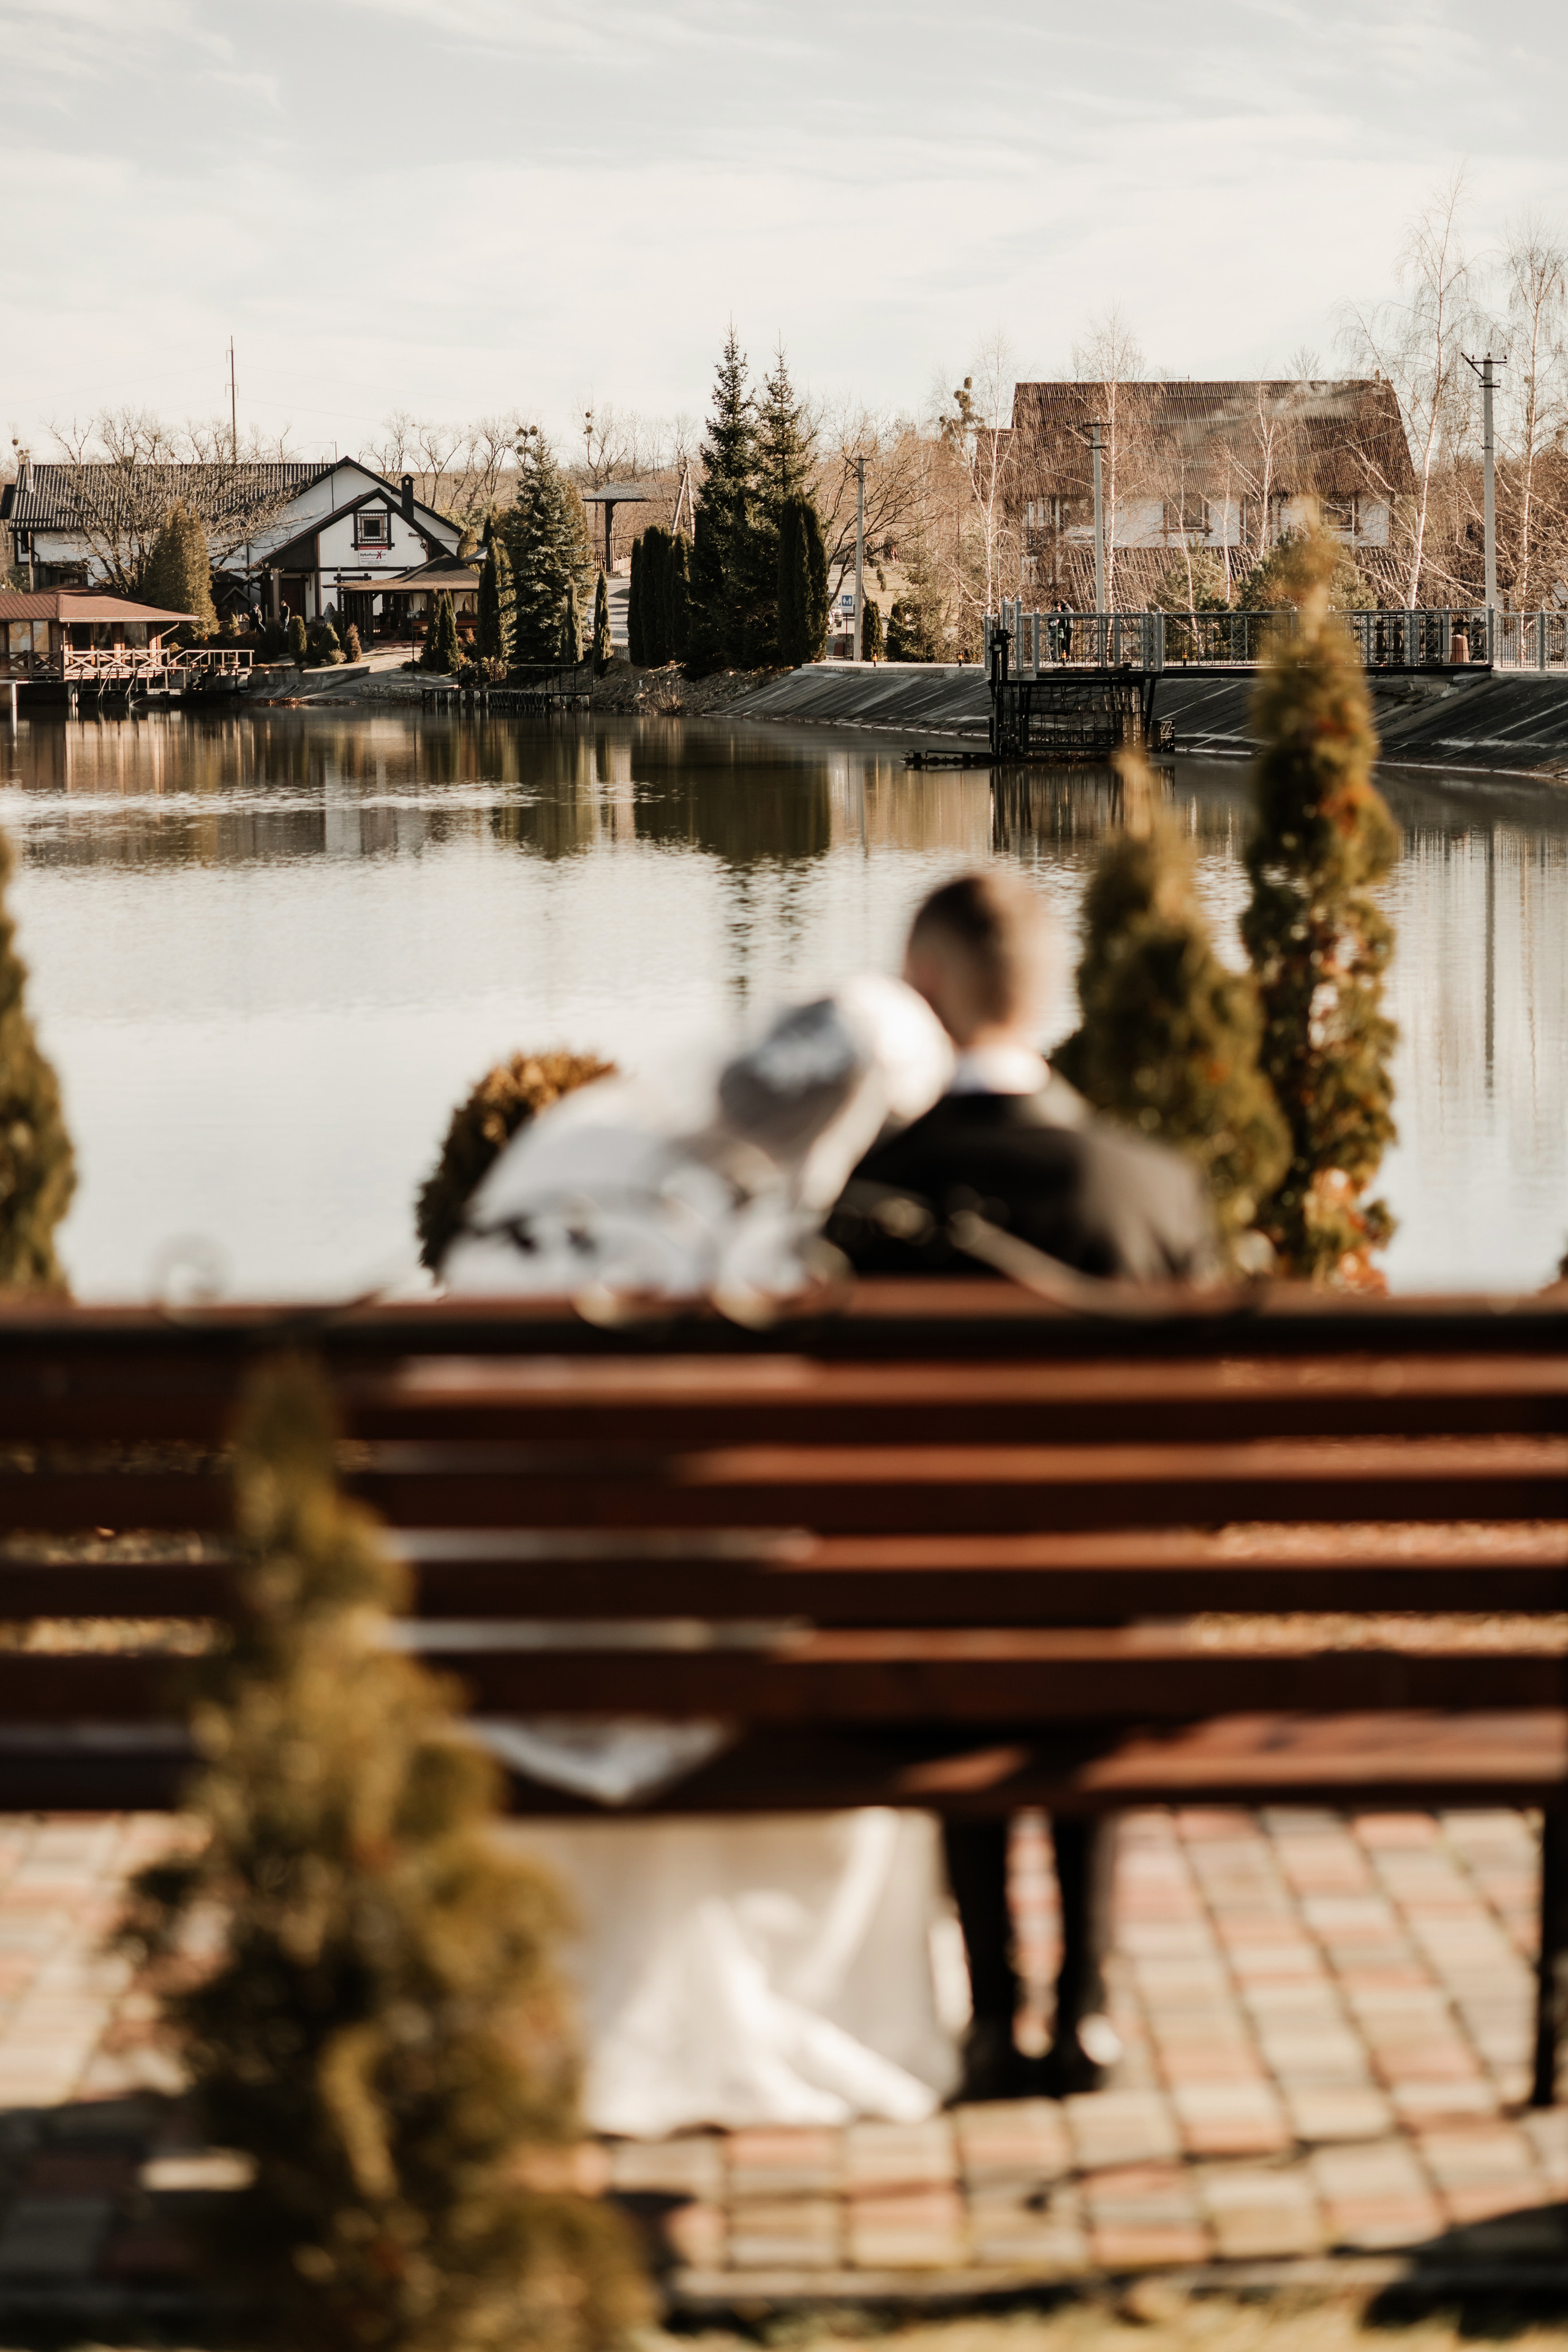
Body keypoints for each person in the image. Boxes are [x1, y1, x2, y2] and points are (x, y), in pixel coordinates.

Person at [828, 871, 1219, 2101]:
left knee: (950, 1605)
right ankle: (1085, 2002)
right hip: (1119, 1625)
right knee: (1084, 1606)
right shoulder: (1149, 1186)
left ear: (924, 987)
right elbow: (1199, 1447)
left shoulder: (863, 1189)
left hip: (926, 1630)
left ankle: (996, 2013)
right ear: (1043, 997)